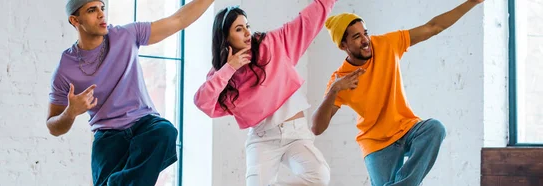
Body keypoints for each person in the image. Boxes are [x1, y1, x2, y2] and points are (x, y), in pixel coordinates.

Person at [311, 0, 484, 185]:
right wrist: (334, 90)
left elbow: (433, 27)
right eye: (356, 37)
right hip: (376, 143)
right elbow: (317, 128)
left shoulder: (386, 45)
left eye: (365, 33)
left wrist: (473, 2)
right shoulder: (341, 79)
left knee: (435, 129)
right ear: (343, 45)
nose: (365, 40)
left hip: (407, 128)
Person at [45, 0, 213, 185]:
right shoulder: (66, 67)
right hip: (107, 137)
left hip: (144, 125)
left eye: (102, 8)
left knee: (165, 132)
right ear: (75, 20)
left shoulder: (126, 35)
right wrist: (70, 112)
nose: (101, 14)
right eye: (92, 10)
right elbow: (53, 127)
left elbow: (178, 20)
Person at [193, 0, 340, 185]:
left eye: (247, 26)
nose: (247, 32)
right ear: (225, 37)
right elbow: (202, 101)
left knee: (319, 175)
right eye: (239, 29)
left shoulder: (271, 44)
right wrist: (230, 67)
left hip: (296, 134)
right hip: (263, 139)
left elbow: (309, 19)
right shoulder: (222, 74)